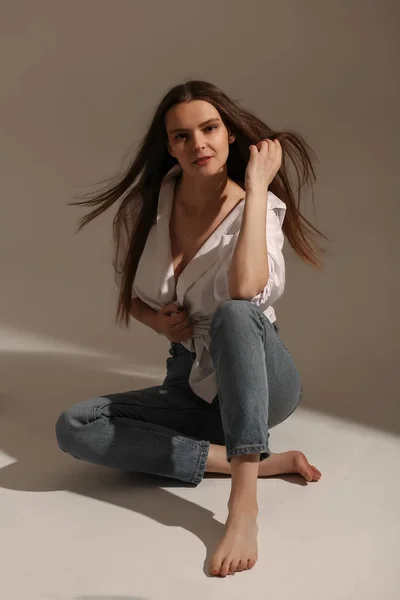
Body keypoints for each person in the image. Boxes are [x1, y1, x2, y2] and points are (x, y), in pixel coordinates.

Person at [55, 80, 326, 578]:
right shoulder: (146, 210)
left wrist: (260, 186)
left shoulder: (257, 206)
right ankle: (257, 460)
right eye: (182, 136)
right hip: (191, 383)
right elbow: (135, 300)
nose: (197, 143)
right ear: (169, 147)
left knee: (233, 312)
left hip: (264, 380)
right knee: (75, 426)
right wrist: (159, 321)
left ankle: (243, 506)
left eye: (209, 128)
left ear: (229, 136)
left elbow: (245, 290)